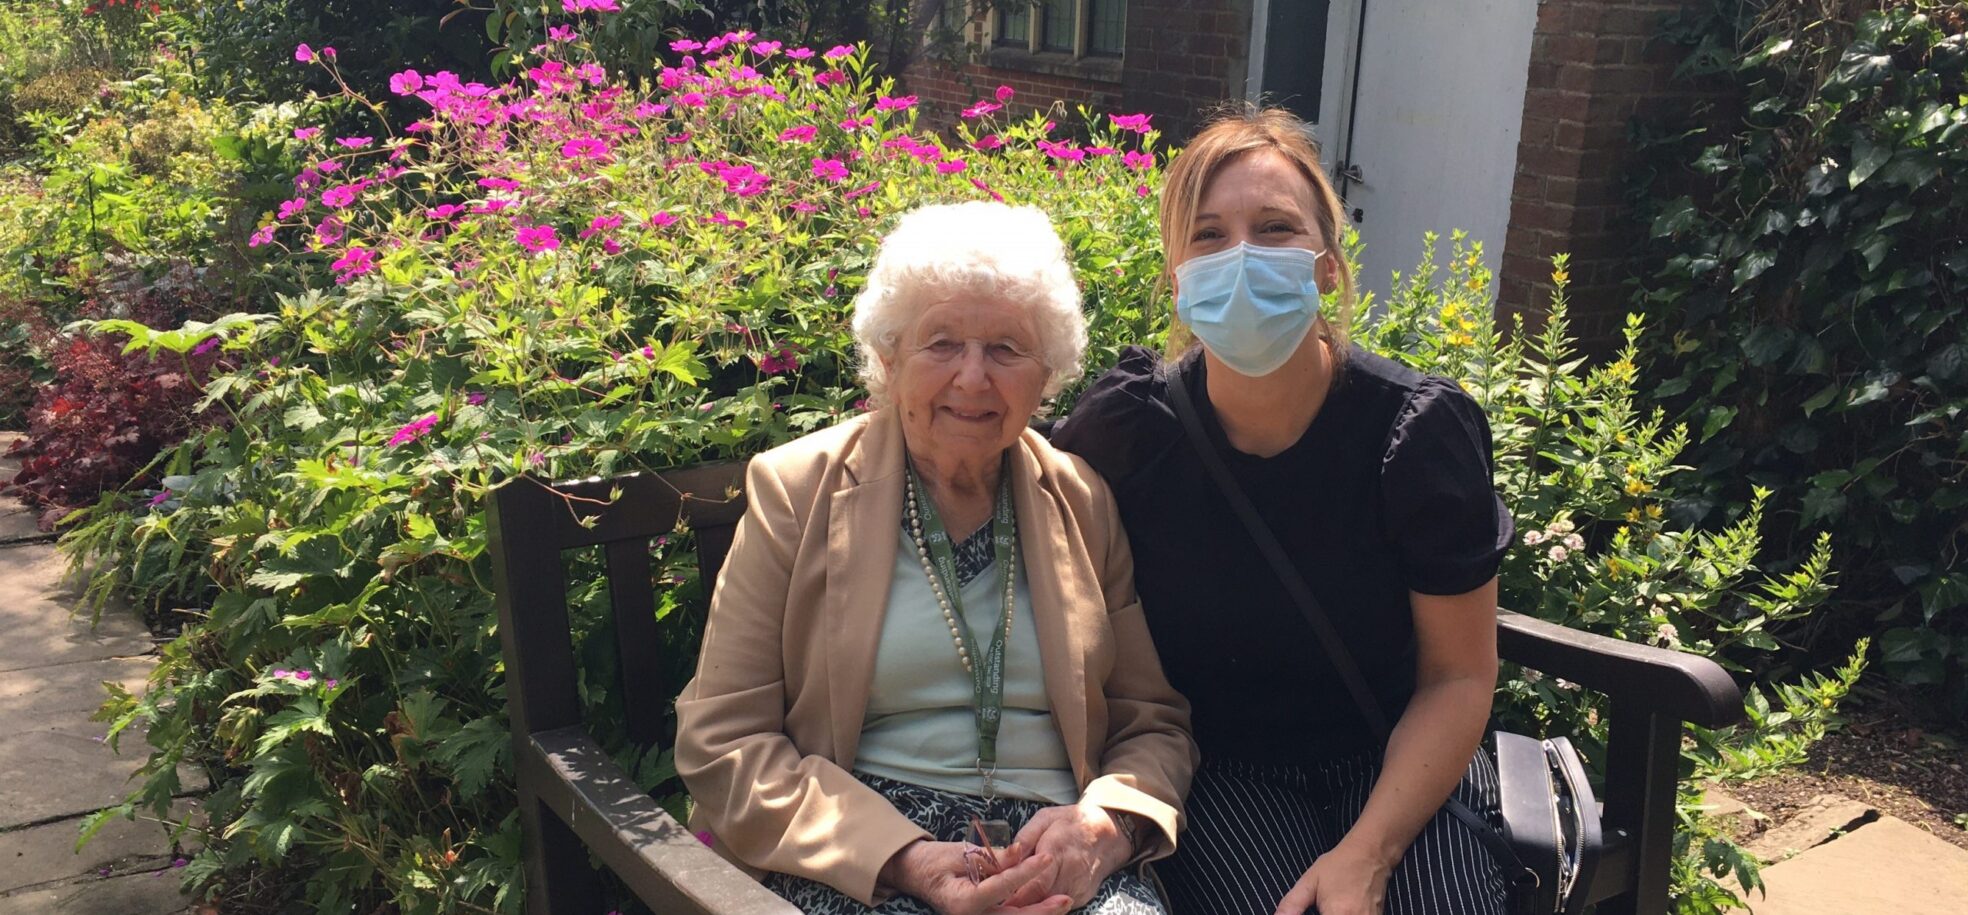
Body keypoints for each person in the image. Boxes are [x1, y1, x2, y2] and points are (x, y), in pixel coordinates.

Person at [1051, 106, 1514, 915]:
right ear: (1175, 278)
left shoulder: (1413, 434)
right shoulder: (1131, 431)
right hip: (1225, 769)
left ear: (1327, 265)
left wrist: (1368, 854)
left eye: (1274, 228)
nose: (1241, 256)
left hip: (1393, 755)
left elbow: (1459, 673)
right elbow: (1012, 498)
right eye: (1208, 235)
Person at [676, 201, 1197, 915]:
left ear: (1047, 372)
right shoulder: (798, 489)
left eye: (1007, 349)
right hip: (864, 855)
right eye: (942, 343)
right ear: (889, 360)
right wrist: (907, 859)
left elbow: (1150, 722)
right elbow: (723, 739)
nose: (974, 378)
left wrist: (1103, 830)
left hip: (1057, 856)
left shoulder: (1082, 500)